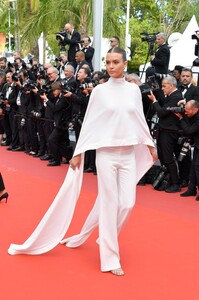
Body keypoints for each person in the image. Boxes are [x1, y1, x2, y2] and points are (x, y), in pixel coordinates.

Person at [8, 47, 157, 276]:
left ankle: (105, 237)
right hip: (105, 154)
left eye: (115, 62)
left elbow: (139, 119)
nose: (110, 66)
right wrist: (78, 152)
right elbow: (90, 123)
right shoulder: (99, 91)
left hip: (127, 154)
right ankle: (109, 257)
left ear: (125, 64)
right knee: (109, 204)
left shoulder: (133, 91)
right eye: (107, 62)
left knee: (127, 203)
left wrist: (149, 144)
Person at [148, 75, 183, 193]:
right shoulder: (172, 95)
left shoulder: (176, 96)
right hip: (164, 130)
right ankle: (167, 180)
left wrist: (154, 101)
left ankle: (175, 183)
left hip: (169, 132)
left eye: (164, 86)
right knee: (163, 157)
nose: (162, 88)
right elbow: (163, 104)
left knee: (168, 158)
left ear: (172, 85)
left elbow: (162, 113)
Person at [175, 100, 199, 200]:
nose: (185, 112)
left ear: (195, 109)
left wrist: (181, 119)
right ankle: (191, 189)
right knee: (193, 167)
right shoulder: (194, 115)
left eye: (187, 110)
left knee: (197, 167)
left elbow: (189, 131)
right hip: (198, 145)